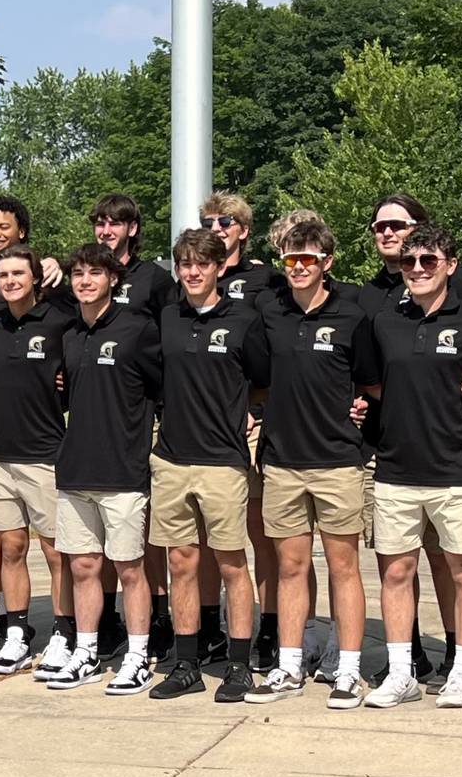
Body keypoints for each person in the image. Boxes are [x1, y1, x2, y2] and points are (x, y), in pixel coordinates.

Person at [355, 193, 462, 690]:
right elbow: (369, 380)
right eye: (409, 259)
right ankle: (402, 670)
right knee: (394, 571)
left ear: (448, 264)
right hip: (393, 465)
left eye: (426, 257)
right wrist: (364, 406)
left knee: (460, 570)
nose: (415, 265)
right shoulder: (381, 314)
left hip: (455, 466)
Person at [245, 214, 376, 709]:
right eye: (291, 259)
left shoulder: (352, 315)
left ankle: (347, 670)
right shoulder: (270, 313)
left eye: (308, 258)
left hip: (338, 460)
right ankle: (288, 665)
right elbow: (255, 377)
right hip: (281, 461)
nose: (298, 267)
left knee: (344, 567)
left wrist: (364, 412)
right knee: (290, 566)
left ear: (327, 262)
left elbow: (370, 384)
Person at [50, 194, 178, 660]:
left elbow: (165, 387)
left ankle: (139, 655)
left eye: (95, 274)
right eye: (78, 274)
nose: (85, 281)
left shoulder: (137, 330)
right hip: (76, 470)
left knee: (129, 568)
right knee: (83, 565)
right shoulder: (69, 336)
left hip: (124, 468)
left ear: (113, 279)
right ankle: (86, 649)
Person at [147, 229, 270, 703]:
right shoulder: (167, 318)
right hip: (172, 459)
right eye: (184, 264)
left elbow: (265, 380)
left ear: (220, 267)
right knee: (181, 562)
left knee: (232, 563)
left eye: (202, 264)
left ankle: (239, 665)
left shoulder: (244, 320)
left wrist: (251, 414)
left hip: (223, 461)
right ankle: (186, 663)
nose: (193, 272)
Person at [0, 244, 76, 677]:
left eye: (19, 273)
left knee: (57, 552)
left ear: (35, 277)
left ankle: (63, 633)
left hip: (45, 454)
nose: (11, 281)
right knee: (11, 549)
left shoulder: (59, 322)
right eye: (4, 275)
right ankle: (17, 633)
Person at [200, 190, 280, 671]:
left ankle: (269, 630)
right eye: (208, 221)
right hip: (204, 426)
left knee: (259, 531)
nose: (217, 228)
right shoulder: (192, 279)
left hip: (250, 421)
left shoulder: (265, 280)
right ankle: (211, 628)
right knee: (210, 538)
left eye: (225, 221)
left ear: (243, 230)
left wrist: (260, 403)